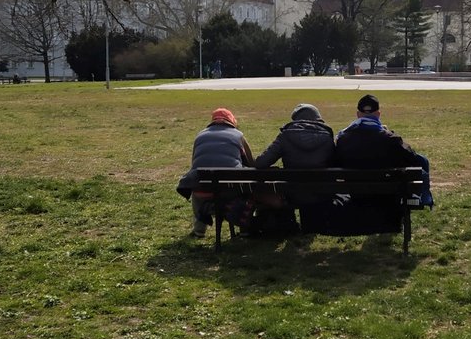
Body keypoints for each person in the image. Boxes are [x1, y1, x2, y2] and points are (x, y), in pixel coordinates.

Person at [331, 94, 432, 232]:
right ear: (378, 114)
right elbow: (413, 158)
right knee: (421, 161)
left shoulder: (343, 138)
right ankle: (425, 198)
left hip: (356, 193)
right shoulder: (390, 139)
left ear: (357, 114)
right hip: (387, 194)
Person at [253, 103, 335, 234]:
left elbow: (261, 163)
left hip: (291, 194)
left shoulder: (286, 136)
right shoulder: (327, 137)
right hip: (321, 194)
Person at [177, 107, 254, 237]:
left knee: (197, 194)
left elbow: (194, 164)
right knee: (247, 187)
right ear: (231, 121)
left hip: (203, 190)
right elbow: (251, 163)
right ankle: (244, 227)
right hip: (230, 191)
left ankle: (199, 230)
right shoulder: (238, 135)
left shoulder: (200, 135)